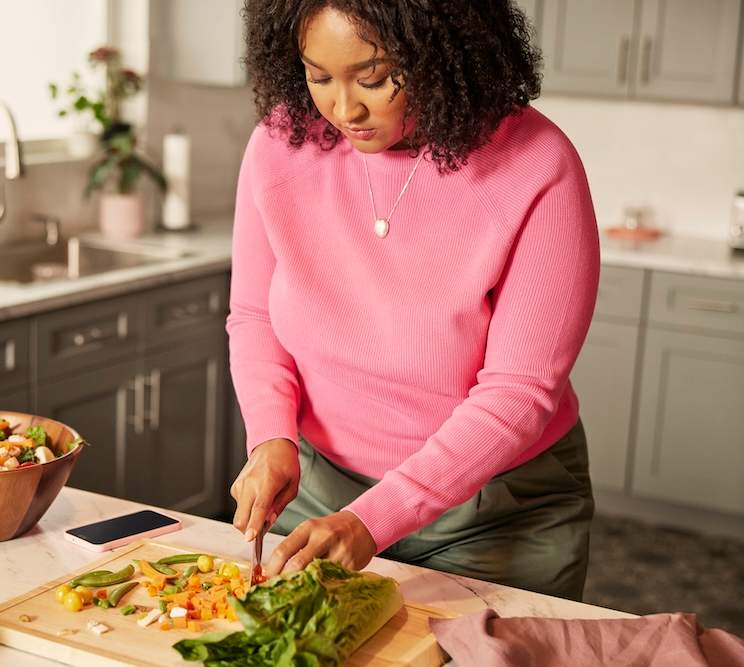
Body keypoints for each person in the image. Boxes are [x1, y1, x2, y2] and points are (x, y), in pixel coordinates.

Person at [227, 0, 600, 601]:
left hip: (495, 507)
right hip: (321, 489)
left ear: (443, 54)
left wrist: (375, 518)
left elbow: (520, 391)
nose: (344, 109)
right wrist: (271, 436)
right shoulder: (281, 142)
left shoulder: (537, 163)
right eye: (319, 76)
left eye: (374, 78)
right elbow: (253, 316)